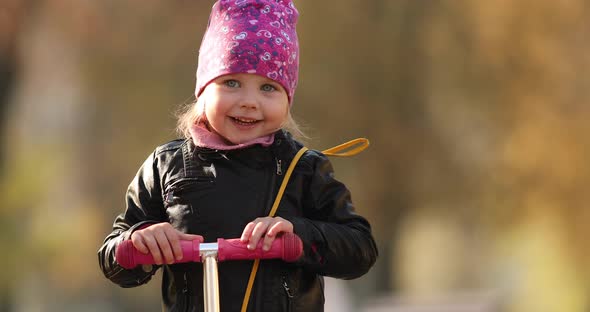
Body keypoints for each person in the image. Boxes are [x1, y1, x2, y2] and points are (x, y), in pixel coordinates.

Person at [98, 0, 378, 311]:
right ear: (204, 91)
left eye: (268, 88)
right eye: (231, 83)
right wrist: (138, 242)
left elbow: (359, 250)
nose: (249, 101)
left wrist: (299, 236)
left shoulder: (304, 169)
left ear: (288, 100)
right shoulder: (166, 166)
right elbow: (114, 260)